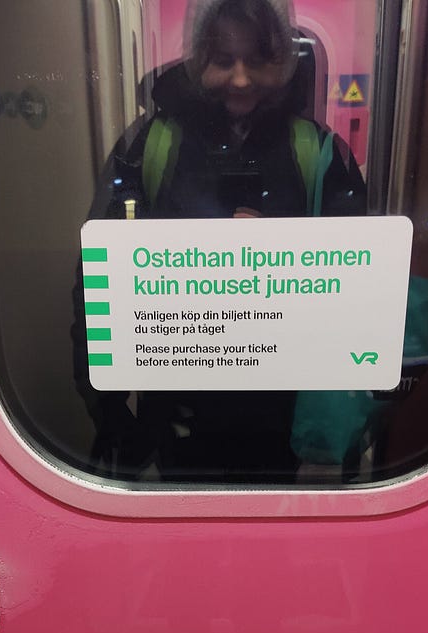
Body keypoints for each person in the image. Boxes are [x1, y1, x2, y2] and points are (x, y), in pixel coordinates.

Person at [73, 0, 367, 484]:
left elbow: (355, 293)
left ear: (284, 61)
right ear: (196, 59)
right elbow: (96, 284)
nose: (241, 78)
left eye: (258, 59)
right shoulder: (151, 147)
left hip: (284, 417)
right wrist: (111, 417)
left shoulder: (317, 152)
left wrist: (274, 261)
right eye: (223, 60)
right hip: (174, 413)